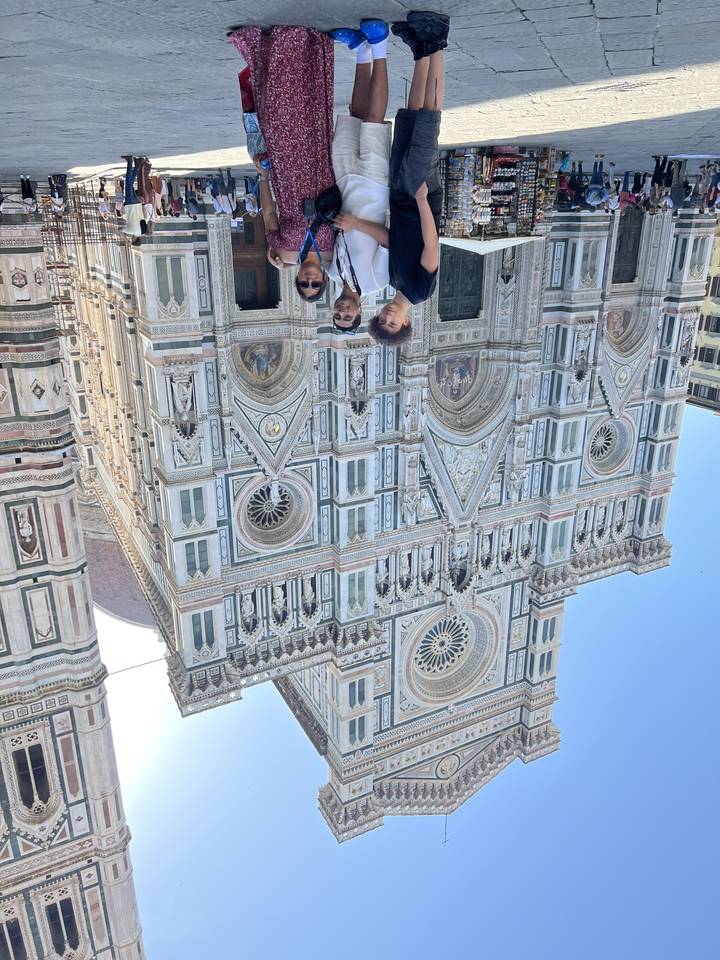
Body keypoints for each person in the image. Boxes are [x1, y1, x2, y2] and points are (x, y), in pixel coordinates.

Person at [228, 25, 337, 302]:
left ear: (298, 279)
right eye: (315, 285)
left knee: (275, 112)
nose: (309, 281)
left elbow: (268, 215)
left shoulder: (285, 252)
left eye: (303, 284)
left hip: (286, 175)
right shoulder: (333, 253)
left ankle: (269, 47)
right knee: (312, 109)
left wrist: (262, 178)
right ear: (324, 279)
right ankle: (310, 46)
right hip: (320, 171)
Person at [368, 10, 449, 344]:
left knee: (408, 120)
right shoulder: (419, 291)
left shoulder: (394, 282)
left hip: (400, 195)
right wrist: (421, 200)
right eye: (391, 323)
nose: (387, 316)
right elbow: (431, 245)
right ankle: (438, 42)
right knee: (429, 118)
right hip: (420, 197)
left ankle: (420, 52)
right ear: (404, 324)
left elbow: (393, 239)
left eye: (380, 320)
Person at [329, 19, 391, 333]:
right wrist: (356, 225)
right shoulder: (376, 283)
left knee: (355, 116)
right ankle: (380, 46)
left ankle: (360, 51)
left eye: (337, 316)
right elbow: (388, 241)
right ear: (359, 312)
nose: (342, 311)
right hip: (375, 186)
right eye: (348, 317)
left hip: (345, 182)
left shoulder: (331, 273)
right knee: (373, 120)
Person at [120, 156, 147, 245]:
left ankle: (138, 163)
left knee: (130, 183)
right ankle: (129, 161)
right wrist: (125, 239)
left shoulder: (143, 230)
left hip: (138, 204)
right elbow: (120, 230)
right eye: (132, 240)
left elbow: (145, 216)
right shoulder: (131, 231)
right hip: (130, 204)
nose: (131, 239)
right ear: (134, 240)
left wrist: (142, 204)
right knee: (128, 182)